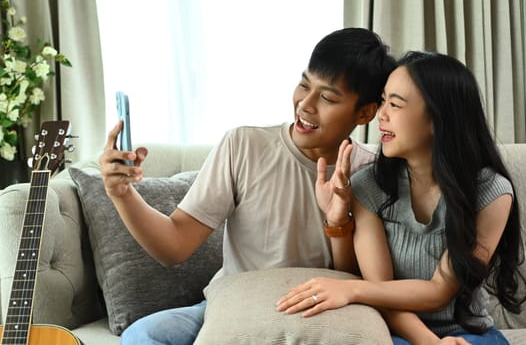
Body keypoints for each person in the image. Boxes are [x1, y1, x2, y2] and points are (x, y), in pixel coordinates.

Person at [99, 27, 396, 345]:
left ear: (365, 113)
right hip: (232, 304)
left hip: (323, 314)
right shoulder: (243, 145)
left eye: (326, 98)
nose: (305, 105)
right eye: (303, 85)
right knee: (143, 336)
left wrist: (338, 225)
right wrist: (122, 194)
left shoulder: (373, 169)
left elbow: (358, 278)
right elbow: (173, 247)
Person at [276, 51, 526, 344]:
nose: (381, 114)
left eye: (394, 104)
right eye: (383, 100)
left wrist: (353, 290)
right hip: (391, 331)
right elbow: (381, 290)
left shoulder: (491, 192)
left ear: (437, 118)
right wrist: (430, 342)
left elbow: (438, 292)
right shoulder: (368, 185)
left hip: (468, 335)